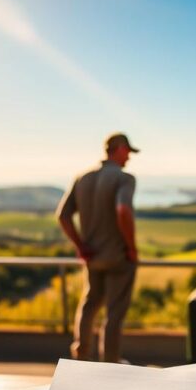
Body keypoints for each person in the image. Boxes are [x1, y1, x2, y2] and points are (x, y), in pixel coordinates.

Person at [56, 133, 139, 362]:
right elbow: (123, 210)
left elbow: (62, 215)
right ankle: (111, 362)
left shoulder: (82, 178)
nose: (129, 157)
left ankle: (81, 355)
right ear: (119, 149)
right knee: (114, 313)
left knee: (89, 304)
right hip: (118, 257)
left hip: (92, 256)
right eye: (128, 151)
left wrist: (80, 245)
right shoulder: (124, 179)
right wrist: (131, 248)